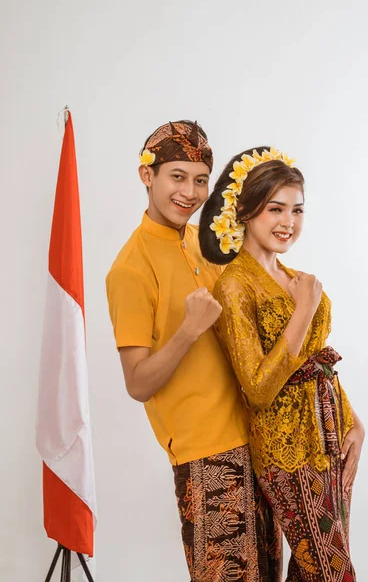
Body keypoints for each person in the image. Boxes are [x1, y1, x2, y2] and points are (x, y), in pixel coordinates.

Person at [106, 123, 282, 581]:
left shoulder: (204, 241)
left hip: (257, 438)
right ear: (148, 175)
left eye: (200, 179)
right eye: (177, 177)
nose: (189, 192)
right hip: (207, 458)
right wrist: (187, 331)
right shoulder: (130, 268)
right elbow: (137, 383)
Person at [198, 146, 365, 582]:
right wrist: (304, 310)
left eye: (297, 209)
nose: (288, 222)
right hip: (285, 448)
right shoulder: (235, 285)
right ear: (247, 211)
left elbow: (316, 362)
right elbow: (257, 388)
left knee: (313, 572)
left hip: (329, 434)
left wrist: (354, 421)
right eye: (275, 208)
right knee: (332, 572)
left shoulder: (294, 278)